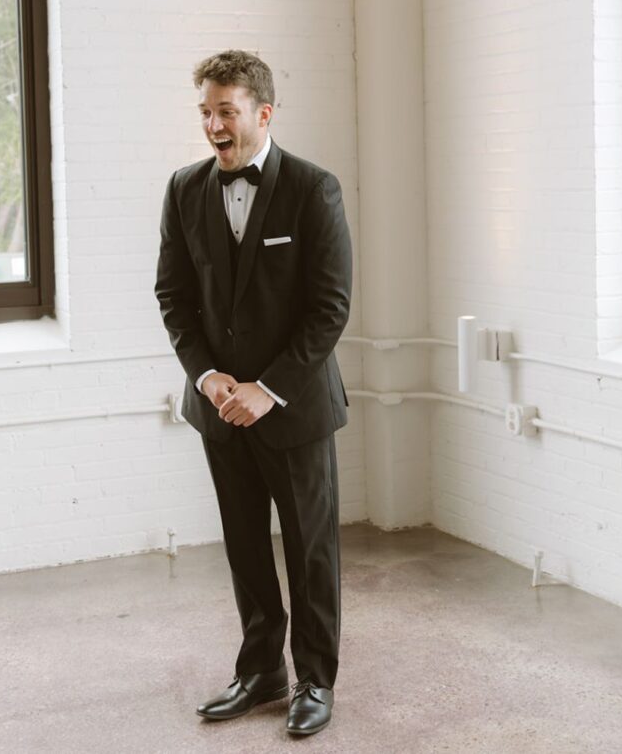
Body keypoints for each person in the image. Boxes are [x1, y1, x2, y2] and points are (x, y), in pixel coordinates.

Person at [155, 50, 352, 737]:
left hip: (292, 411)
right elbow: (174, 297)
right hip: (220, 411)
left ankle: (316, 680)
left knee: (310, 550)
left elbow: (329, 308)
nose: (213, 125)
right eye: (206, 112)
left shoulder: (313, 188)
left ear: (262, 113)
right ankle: (262, 669)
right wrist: (209, 379)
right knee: (244, 545)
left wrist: (268, 390)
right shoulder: (183, 189)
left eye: (226, 111)